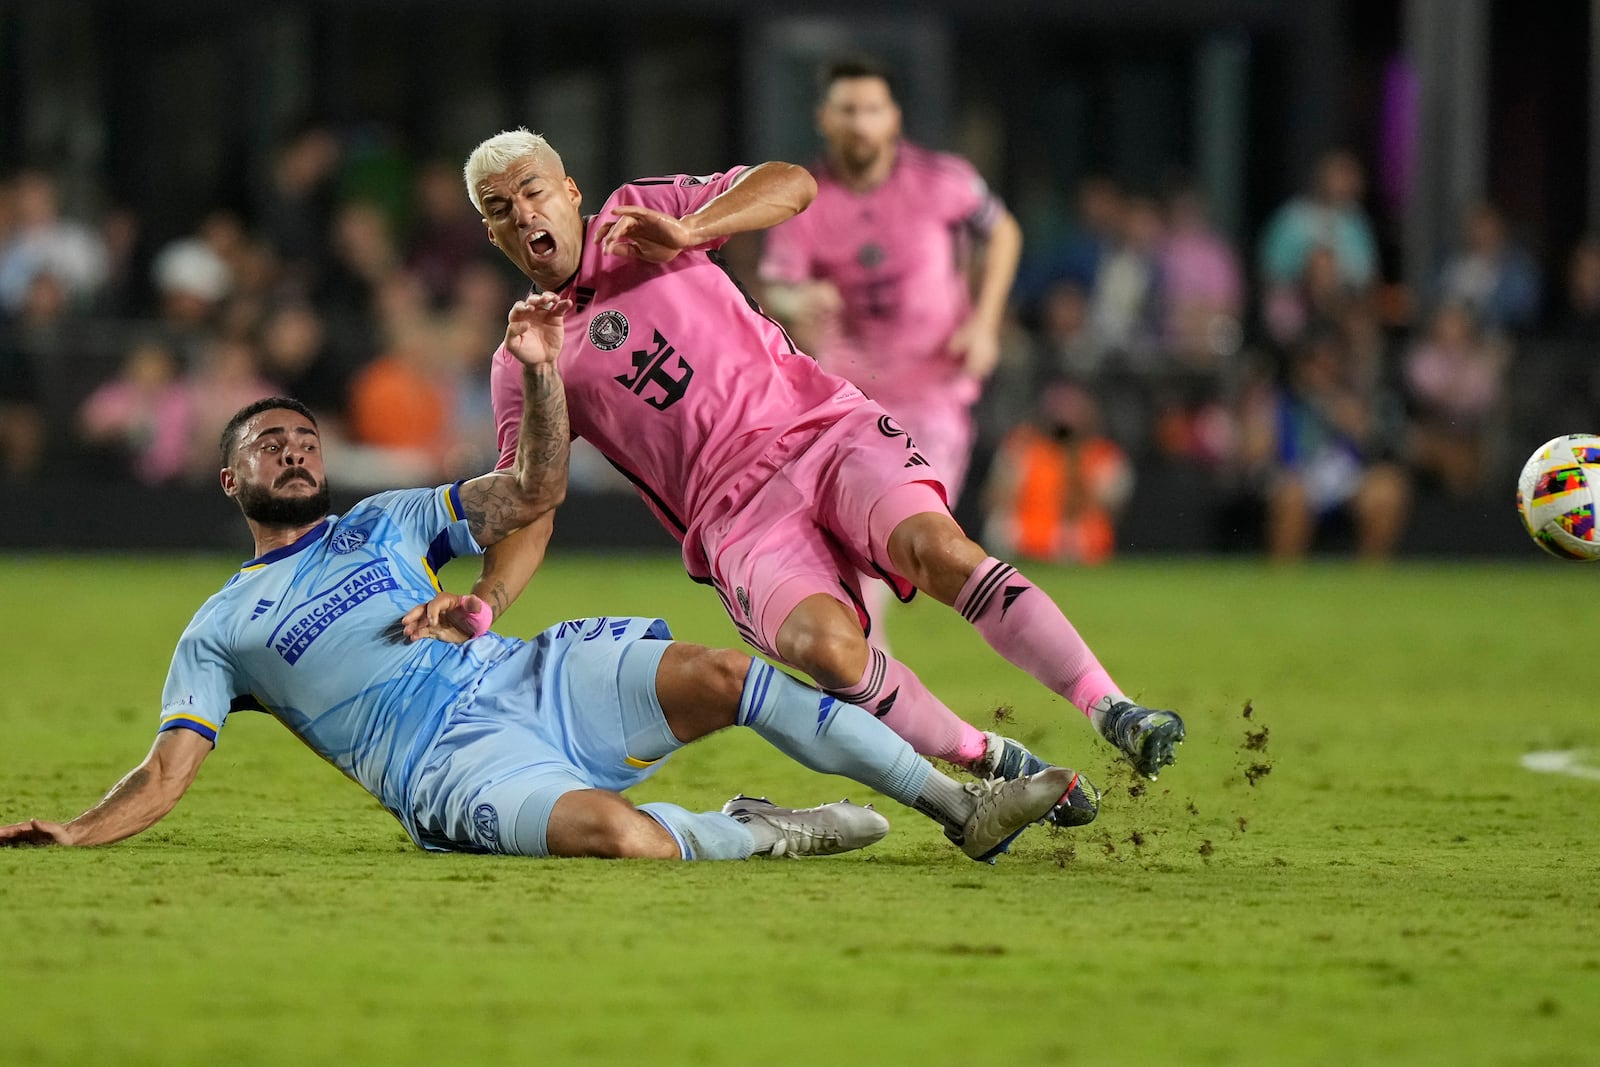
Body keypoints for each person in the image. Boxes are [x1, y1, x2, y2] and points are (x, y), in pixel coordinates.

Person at [0, 298, 1081, 862]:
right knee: (621, 839)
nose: (292, 450)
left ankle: (960, 803)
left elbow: (532, 485)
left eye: (303, 437)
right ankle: (757, 827)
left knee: (720, 670)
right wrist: (79, 828)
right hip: (445, 761)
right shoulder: (222, 624)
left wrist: (535, 374)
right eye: (267, 443)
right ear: (230, 475)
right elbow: (169, 764)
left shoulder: (386, 520)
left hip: (523, 676)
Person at [450, 127, 1185, 805]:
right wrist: (486, 601)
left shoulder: (643, 214)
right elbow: (532, 498)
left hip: (824, 431)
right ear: (489, 232)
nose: (522, 212)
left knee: (939, 549)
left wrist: (695, 228)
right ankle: (989, 757)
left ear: (570, 191)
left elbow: (793, 183)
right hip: (733, 519)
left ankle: (1112, 707)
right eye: (499, 207)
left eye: (533, 190)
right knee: (829, 653)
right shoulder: (525, 357)